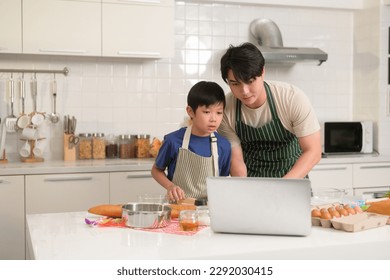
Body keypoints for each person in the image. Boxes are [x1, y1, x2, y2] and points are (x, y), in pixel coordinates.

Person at [218, 42, 321, 178]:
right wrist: (243, 190)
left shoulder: (291, 98)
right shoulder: (226, 109)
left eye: (250, 81)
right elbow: (236, 161)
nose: (244, 91)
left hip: (293, 180)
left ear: (262, 72)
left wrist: (282, 186)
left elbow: (313, 151)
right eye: (235, 83)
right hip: (253, 183)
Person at [151, 81, 231, 201]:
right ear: (190, 112)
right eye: (207, 112)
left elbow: (222, 182)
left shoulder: (223, 146)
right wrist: (170, 186)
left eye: (219, 113)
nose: (214, 119)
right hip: (176, 208)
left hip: (207, 211)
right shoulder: (173, 141)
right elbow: (156, 170)